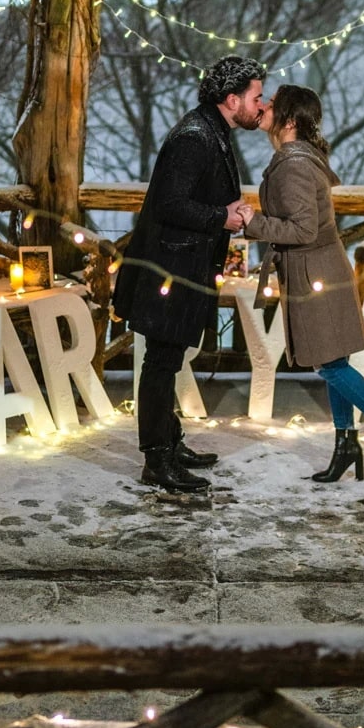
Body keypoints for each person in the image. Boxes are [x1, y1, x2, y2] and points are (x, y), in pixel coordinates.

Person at [238, 85, 364, 482]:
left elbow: (303, 228)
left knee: (328, 364)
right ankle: (346, 444)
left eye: (272, 103)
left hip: (313, 271)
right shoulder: (297, 158)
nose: (264, 106)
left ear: (289, 121)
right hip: (319, 268)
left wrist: (250, 222)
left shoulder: (295, 164)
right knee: (334, 361)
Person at [112, 56, 266, 493]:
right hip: (169, 270)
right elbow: (170, 205)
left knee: (168, 360)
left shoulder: (209, 129)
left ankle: (170, 441)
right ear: (231, 99)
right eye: (256, 97)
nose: (262, 105)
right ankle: (156, 461)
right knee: (160, 363)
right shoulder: (194, 139)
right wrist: (222, 217)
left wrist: (225, 210)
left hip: (181, 267)